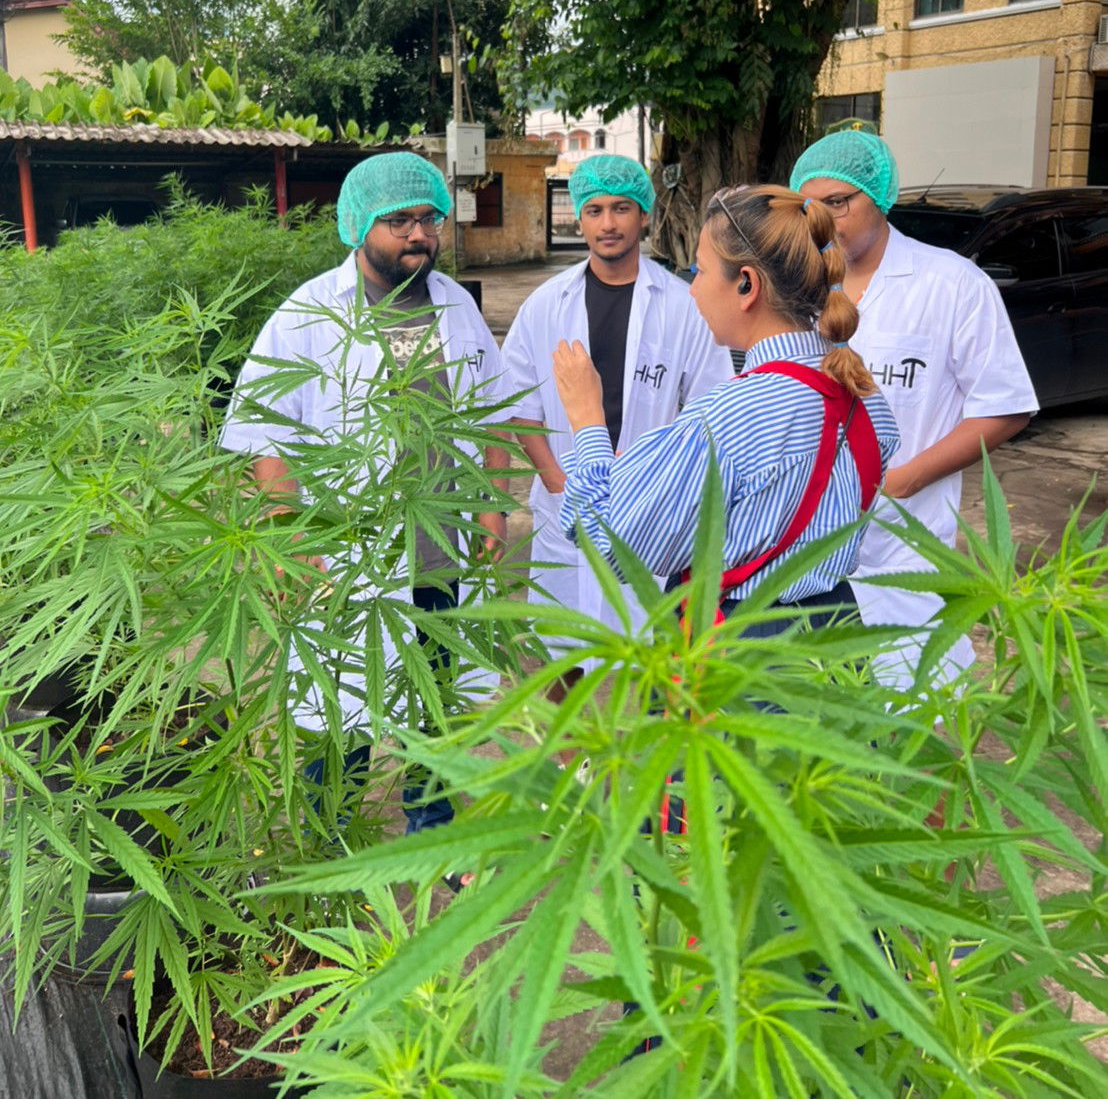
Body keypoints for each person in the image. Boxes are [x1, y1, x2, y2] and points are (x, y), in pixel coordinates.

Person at [221, 151, 511, 836]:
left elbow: (493, 412)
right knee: (344, 703)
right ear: (359, 226)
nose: (419, 235)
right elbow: (265, 435)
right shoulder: (308, 313)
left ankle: (429, 825)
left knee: (436, 696)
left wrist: (494, 507)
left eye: (429, 220)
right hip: (350, 554)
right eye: (399, 221)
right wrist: (293, 537)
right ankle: (330, 832)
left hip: (445, 545)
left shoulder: (456, 305)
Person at [551, 184, 899, 632]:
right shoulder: (866, 398)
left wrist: (587, 422)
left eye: (700, 270)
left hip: (741, 649)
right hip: (837, 634)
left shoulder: (727, 418)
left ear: (746, 284)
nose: (692, 289)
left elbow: (614, 546)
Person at [789, 129, 1037, 691]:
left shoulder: (950, 284)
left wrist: (904, 480)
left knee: (907, 709)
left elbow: (1005, 408)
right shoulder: (799, 290)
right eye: (809, 207)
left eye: (838, 202)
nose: (824, 221)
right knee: (819, 716)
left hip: (905, 550)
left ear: (880, 197)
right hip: (804, 552)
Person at [501, 152, 732, 677]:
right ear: (580, 219)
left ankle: (638, 730)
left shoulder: (682, 305)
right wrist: (557, 482)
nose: (608, 223)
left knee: (650, 655)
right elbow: (519, 405)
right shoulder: (544, 304)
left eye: (622, 208)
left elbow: (710, 408)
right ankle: (566, 735)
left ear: (644, 214)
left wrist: (664, 484)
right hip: (562, 506)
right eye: (595, 210)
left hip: (649, 511)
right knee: (559, 651)